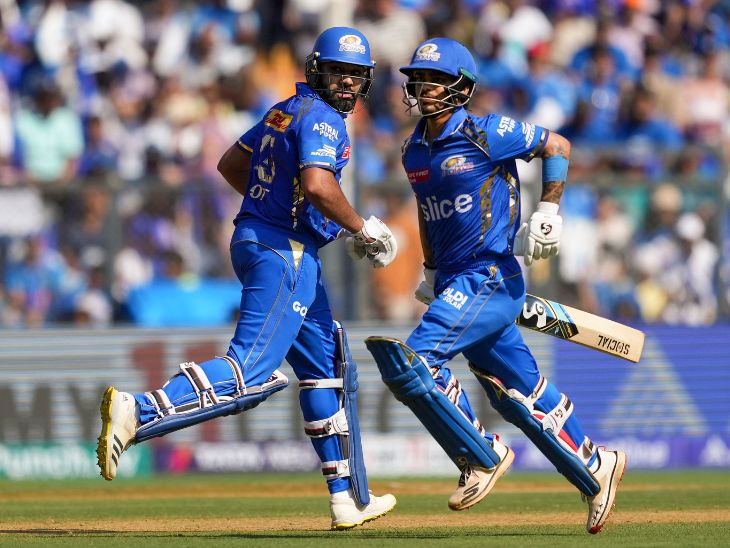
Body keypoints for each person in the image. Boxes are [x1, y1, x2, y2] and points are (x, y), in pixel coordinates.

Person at [97, 26, 398, 530]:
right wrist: (360, 226)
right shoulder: (323, 118)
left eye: (355, 74)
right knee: (251, 370)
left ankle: (347, 499)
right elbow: (318, 184)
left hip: (263, 239)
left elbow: (231, 164)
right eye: (337, 71)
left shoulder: (284, 110)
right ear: (316, 71)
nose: (346, 82)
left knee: (326, 367)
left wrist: (276, 209)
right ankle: (139, 410)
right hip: (285, 251)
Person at [365, 37, 626, 535]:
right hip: (455, 280)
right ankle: (597, 466)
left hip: (489, 274)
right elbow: (429, 213)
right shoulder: (412, 149)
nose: (423, 87)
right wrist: (431, 271)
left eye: (435, 79)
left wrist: (548, 211)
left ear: (462, 88)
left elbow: (557, 146)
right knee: (517, 393)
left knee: (412, 363)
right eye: (418, 78)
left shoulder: (487, 132)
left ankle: (481, 455)